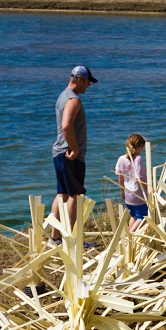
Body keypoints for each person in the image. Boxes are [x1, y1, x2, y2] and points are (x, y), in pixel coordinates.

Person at [50, 65, 97, 244]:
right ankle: (71, 240)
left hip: (59, 152)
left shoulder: (62, 96)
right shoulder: (73, 100)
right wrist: (75, 149)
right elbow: (66, 126)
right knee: (74, 196)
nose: (89, 86)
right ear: (80, 80)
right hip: (70, 154)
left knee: (62, 193)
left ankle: (55, 237)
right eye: (87, 82)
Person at [114, 133, 149, 232]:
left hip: (127, 193)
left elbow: (120, 177)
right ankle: (130, 233)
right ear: (140, 147)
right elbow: (139, 178)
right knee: (143, 216)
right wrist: (147, 189)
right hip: (138, 193)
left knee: (133, 215)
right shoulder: (138, 159)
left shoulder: (121, 159)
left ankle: (131, 237)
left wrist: (123, 191)